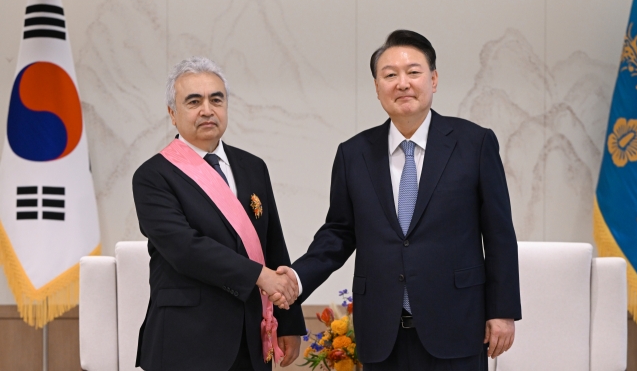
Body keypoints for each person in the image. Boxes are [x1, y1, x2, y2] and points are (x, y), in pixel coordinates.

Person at [274, 30, 521, 370]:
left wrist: (502, 310)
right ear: (377, 88)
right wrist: (296, 279)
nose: (402, 83)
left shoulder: (474, 144)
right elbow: (339, 233)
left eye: (413, 72)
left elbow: (499, 234)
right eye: (390, 75)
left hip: (457, 324)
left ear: (433, 80)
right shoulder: (354, 154)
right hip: (382, 332)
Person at [132, 56, 305, 371]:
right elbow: (185, 249)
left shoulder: (253, 167)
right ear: (172, 113)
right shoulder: (154, 175)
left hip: (250, 338)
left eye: (216, 99)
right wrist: (258, 276)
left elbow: (273, 244)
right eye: (194, 101)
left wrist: (289, 321)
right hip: (186, 340)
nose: (207, 110)